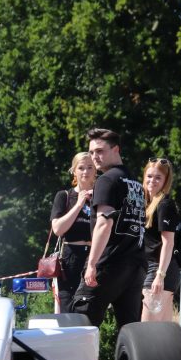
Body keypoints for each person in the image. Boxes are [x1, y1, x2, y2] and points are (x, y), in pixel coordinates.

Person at [70, 128, 146, 328]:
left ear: (116, 150)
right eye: (92, 152)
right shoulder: (135, 183)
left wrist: (92, 263)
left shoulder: (106, 180)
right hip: (135, 267)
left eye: (100, 151)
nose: (95, 156)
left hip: (109, 264)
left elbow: (104, 222)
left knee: (81, 322)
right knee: (130, 330)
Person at [49, 152, 96, 312]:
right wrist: (79, 204)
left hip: (94, 256)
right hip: (71, 257)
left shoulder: (102, 197)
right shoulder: (64, 196)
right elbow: (57, 229)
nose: (86, 172)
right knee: (67, 305)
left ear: (96, 170)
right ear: (74, 171)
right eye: (81, 168)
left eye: (90, 167)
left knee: (91, 305)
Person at [140, 157, 179, 322]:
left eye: (158, 178)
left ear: (165, 181)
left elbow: (168, 242)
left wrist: (159, 276)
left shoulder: (164, 204)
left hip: (160, 270)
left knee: (147, 330)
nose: (152, 181)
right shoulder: (147, 203)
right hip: (154, 269)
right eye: (149, 176)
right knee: (161, 331)